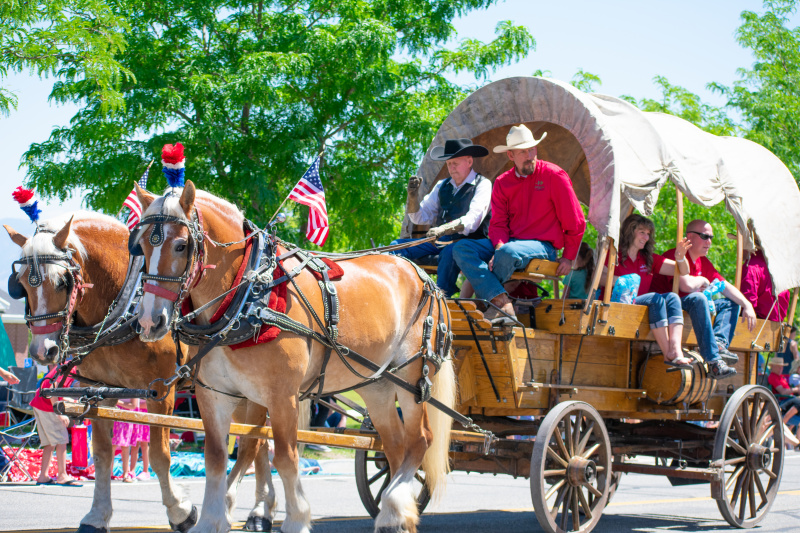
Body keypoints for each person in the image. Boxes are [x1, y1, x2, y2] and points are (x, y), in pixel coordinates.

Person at [452, 124, 586, 324]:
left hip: (543, 247)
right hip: (510, 244)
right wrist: (498, 246)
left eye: (532, 149)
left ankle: (488, 302)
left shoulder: (553, 175)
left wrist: (568, 257)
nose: (529, 155)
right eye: (523, 152)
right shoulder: (502, 182)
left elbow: (576, 221)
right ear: (510, 156)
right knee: (461, 248)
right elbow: (498, 224)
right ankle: (501, 302)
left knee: (509, 253)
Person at [651, 219, 757, 378]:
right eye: (705, 236)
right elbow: (685, 286)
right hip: (668, 308)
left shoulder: (704, 262)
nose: (709, 242)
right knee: (698, 298)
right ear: (690, 237)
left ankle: (719, 343)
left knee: (730, 303)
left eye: (711, 238)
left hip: (688, 307)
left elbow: (724, 286)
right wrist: (702, 281)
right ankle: (713, 360)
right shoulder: (675, 256)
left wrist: (747, 305)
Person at [391, 138, 491, 296]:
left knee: (450, 251)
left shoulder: (483, 184)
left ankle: (442, 299)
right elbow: (420, 217)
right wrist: (412, 198)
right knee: (396, 247)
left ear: (469, 161)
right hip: (438, 242)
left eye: (455, 163)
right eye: (449, 163)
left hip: (467, 244)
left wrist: (444, 229)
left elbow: (473, 219)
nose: (451, 168)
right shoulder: (442, 185)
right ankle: (402, 295)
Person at [599, 215, 697, 369]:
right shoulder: (613, 253)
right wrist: (624, 281)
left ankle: (676, 351)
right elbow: (600, 278)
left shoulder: (648, 259)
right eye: (642, 232)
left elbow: (683, 271)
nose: (646, 237)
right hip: (618, 305)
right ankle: (668, 353)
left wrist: (680, 257)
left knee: (672, 297)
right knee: (655, 298)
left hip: (639, 305)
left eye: (648, 234)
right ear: (630, 231)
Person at [29, 366, 81, 486]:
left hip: (39, 403)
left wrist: (72, 402)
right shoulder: (70, 369)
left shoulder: (67, 367)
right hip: (47, 407)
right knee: (61, 440)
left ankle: (43, 476)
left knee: (49, 444)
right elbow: (52, 389)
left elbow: (57, 392)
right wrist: (59, 413)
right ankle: (62, 475)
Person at [740, 247, 791, 322]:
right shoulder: (779, 267)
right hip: (777, 325)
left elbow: (747, 301)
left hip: (756, 324)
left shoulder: (751, 266)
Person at [766, 358, 800, 447]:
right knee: (797, 403)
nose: (781, 369)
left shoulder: (781, 377)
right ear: (772, 366)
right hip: (782, 402)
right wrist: (796, 389)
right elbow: (783, 392)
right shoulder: (773, 377)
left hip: (790, 401)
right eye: (778, 367)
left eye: (781, 367)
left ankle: (794, 440)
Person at [112, 398, 138, 482]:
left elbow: (133, 405)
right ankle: (109, 473)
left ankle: (126, 474)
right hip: (114, 414)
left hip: (126, 417)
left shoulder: (133, 388)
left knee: (125, 446)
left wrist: (117, 402)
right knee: (112, 445)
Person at [130, 400, 151, 480]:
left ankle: (146, 471)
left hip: (144, 416)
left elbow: (147, 404)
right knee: (134, 445)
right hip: (135, 415)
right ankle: (132, 471)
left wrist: (133, 404)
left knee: (144, 444)